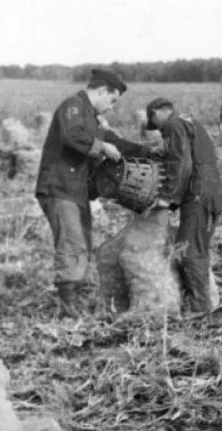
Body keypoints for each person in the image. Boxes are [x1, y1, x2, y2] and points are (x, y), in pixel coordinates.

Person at [34, 68, 154, 318]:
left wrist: (148, 153)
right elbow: (71, 135)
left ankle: (78, 300)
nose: (112, 106)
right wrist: (101, 147)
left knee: (84, 244)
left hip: (75, 190)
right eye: (112, 99)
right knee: (72, 244)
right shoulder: (73, 106)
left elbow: (115, 142)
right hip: (59, 187)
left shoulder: (92, 118)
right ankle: (68, 309)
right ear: (101, 91)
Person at [145, 98, 222, 314]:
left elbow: (181, 164)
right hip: (211, 188)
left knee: (188, 252)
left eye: (155, 124)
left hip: (200, 191)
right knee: (197, 249)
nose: (159, 131)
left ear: (156, 113)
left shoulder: (173, 124)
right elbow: (190, 156)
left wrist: (167, 197)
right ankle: (204, 303)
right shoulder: (189, 122)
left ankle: (201, 310)